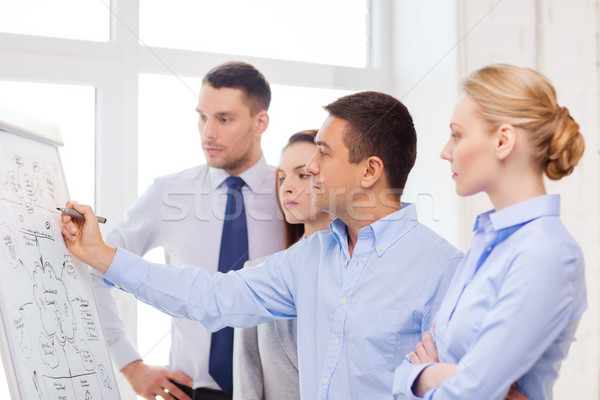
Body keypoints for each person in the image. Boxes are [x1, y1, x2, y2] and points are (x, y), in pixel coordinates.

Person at [61, 90, 464, 399]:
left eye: (324, 153)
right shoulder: (310, 257)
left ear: (370, 171)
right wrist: (102, 256)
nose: (310, 167)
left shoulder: (443, 270)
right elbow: (212, 296)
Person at [91, 61, 286, 400]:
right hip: (189, 392)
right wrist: (130, 365)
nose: (208, 132)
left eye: (224, 119)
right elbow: (97, 269)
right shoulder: (168, 194)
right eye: (202, 116)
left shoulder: (293, 198)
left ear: (261, 122)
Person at [393, 64, 587, 400]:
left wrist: (426, 376)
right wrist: (434, 375)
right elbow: (409, 374)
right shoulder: (489, 242)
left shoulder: (547, 253)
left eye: (457, 134)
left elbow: (466, 393)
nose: (445, 151)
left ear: (503, 140)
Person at [232, 129, 332, 400]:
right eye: (282, 177)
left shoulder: (365, 274)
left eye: (303, 175)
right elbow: (247, 380)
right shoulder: (257, 274)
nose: (286, 186)